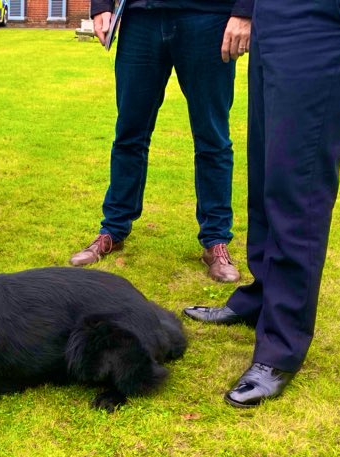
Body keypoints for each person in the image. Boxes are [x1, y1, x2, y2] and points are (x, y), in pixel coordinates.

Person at [183, 0, 340, 407]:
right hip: (276, 12)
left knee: (299, 175)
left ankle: (281, 347)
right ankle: (262, 298)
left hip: (332, 16)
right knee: (267, 168)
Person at [69, 0, 253, 284]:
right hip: (142, 17)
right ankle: (113, 230)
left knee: (212, 138)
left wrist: (244, 11)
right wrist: (101, 4)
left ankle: (216, 241)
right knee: (129, 134)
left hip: (207, 18)